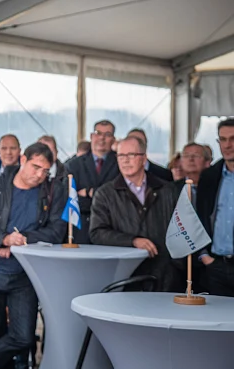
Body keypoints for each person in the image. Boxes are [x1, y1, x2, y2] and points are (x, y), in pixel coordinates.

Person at [0, 143, 66, 369]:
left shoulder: (51, 192)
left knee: (23, 336)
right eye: (36, 167)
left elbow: (57, 231)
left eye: (45, 171)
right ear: (22, 160)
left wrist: (21, 239)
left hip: (25, 276)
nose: (39, 175)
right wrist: (3, 238)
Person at [89, 136, 180, 291]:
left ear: (144, 158)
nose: (125, 160)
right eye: (121, 156)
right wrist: (132, 241)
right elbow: (97, 233)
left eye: (131, 155)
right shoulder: (105, 194)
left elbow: (181, 230)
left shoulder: (168, 190)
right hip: (124, 275)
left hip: (164, 275)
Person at [196, 118, 234, 297]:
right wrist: (205, 256)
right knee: (218, 323)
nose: (228, 145)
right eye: (223, 139)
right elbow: (200, 217)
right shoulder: (210, 176)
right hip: (216, 266)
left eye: (233, 139)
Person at [64, 120, 119, 244]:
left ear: (113, 139)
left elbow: (119, 199)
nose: (102, 138)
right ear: (91, 136)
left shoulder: (121, 164)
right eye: (98, 133)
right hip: (80, 231)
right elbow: (69, 200)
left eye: (107, 134)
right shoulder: (73, 165)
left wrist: (90, 192)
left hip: (111, 231)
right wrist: (104, 199)